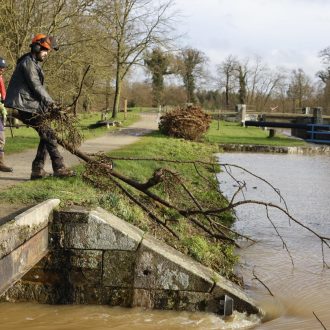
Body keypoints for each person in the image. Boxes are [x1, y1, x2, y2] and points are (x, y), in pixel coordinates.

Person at [5, 34, 75, 179]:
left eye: (47, 50)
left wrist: (48, 105)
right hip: (25, 106)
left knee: (45, 135)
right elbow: (36, 86)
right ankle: (59, 167)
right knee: (49, 134)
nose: (46, 53)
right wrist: (52, 104)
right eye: (44, 50)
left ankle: (37, 169)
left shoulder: (33, 63)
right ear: (36, 47)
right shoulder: (28, 63)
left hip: (30, 105)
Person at [0, 57, 13, 172]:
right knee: (0, 138)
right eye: (0, 67)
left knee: (1, 138)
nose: (2, 70)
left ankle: (1, 163)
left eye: (3, 68)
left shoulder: (0, 78)